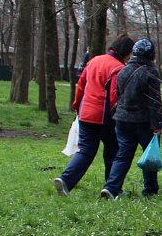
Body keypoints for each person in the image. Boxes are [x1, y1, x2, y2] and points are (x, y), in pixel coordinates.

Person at [54, 34, 134, 197]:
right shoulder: (118, 68)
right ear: (126, 52)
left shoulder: (93, 61)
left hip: (86, 113)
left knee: (85, 151)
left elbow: (81, 86)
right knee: (113, 152)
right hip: (105, 117)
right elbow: (115, 96)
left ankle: (65, 180)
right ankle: (112, 188)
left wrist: (77, 107)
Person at [103, 38, 162, 199]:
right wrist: (157, 124)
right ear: (151, 55)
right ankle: (150, 190)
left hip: (122, 120)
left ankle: (111, 187)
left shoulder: (123, 70)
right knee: (149, 155)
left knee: (122, 155)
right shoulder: (151, 73)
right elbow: (155, 102)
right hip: (144, 122)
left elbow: (118, 94)